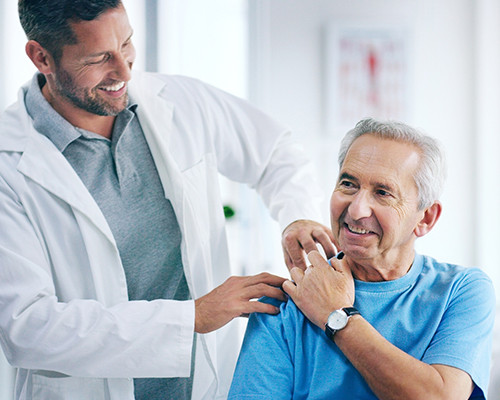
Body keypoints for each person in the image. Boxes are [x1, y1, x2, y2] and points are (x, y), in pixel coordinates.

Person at [0, 1, 336, 399]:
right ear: (42, 57)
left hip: (205, 386)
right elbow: (27, 326)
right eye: (99, 58)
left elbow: (275, 151)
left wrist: (297, 216)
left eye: (126, 44)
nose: (124, 71)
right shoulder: (10, 164)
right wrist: (191, 317)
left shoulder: (178, 102)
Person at [228, 118, 496, 399]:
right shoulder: (286, 303)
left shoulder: (462, 290)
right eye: (348, 184)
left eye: (382, 193)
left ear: (425, 218)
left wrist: (338, 316)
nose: (356, 210)